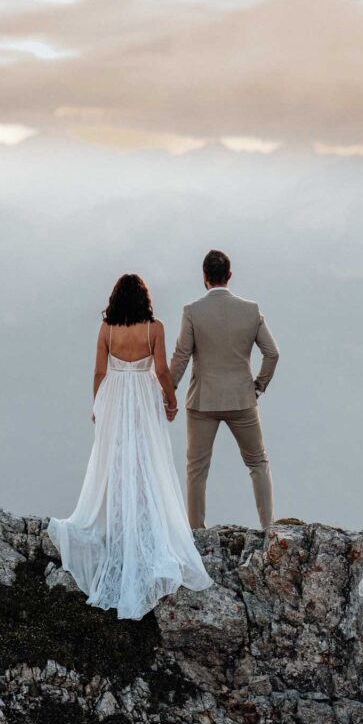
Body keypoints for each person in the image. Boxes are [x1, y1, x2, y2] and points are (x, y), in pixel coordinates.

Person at [47, 273, 213, 620]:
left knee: (116, 460)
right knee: (146, 460)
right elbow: (163, 370)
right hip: (143, 395)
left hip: (116, 395)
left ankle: (119, 524)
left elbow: (98, 372)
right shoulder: (155, 328)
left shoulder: (107, 330)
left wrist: (98, 407)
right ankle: (145, 526)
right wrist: (170, 400)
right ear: (144, 300)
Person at [170, 249, 280, 531]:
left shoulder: (192, 311)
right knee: (257, 463)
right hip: (242, 399)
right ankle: (268, 528)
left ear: (204, 277)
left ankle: (197, 533)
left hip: (202, 402)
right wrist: (258, 386)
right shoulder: (251, 310)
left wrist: (168, 392)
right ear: (229, 275)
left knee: (197, 470)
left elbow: (182, 356)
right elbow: (272, 354)